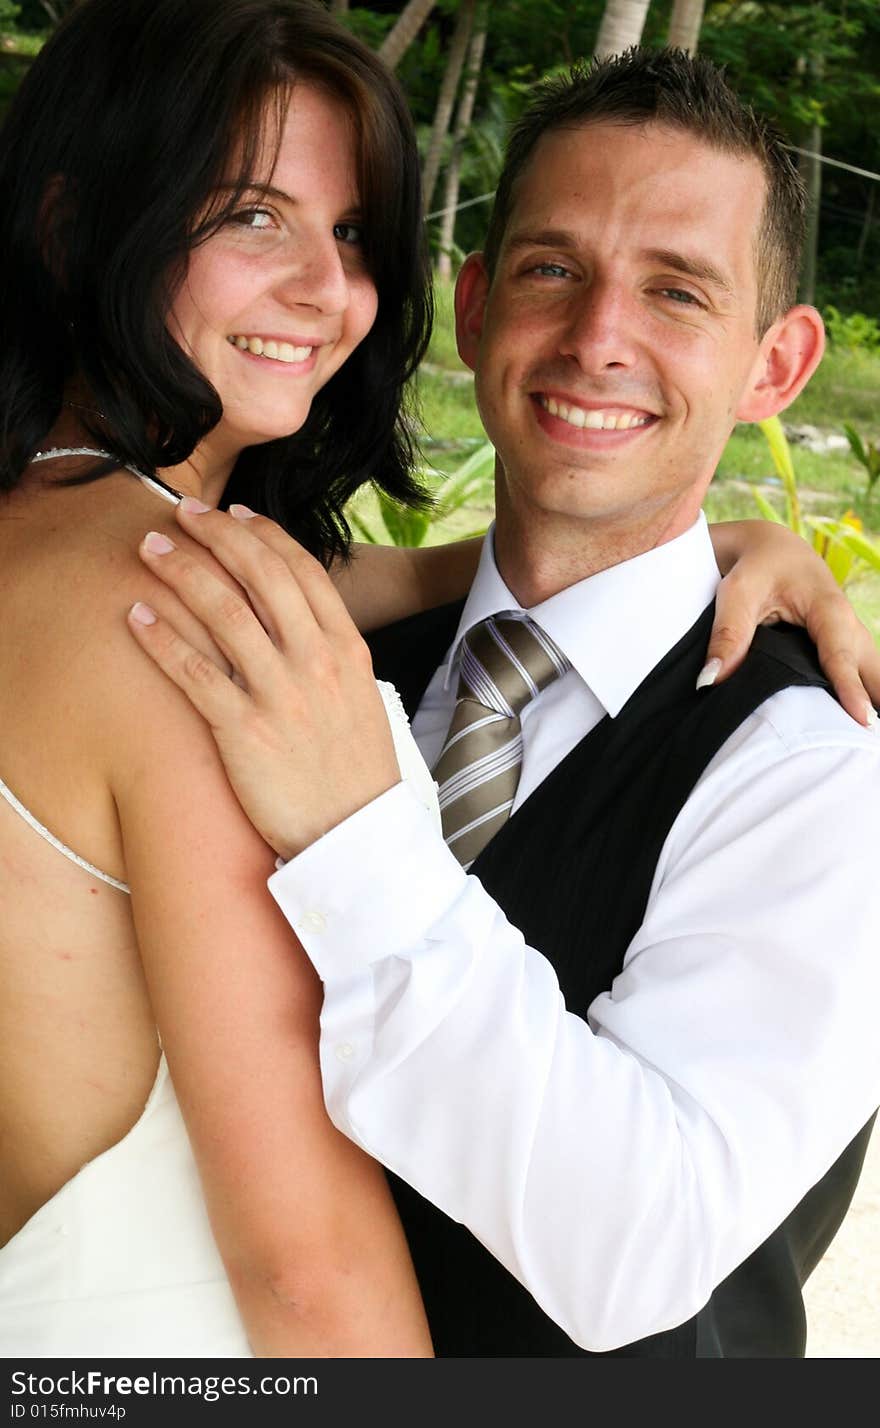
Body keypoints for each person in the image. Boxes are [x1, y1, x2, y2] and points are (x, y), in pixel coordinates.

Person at [129, 48, 880, 1358]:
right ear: (473, 308)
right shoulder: (321, 651)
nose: (598, 339)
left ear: (777, 367)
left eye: (677, 292)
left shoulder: (815, 766)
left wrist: (358, 831)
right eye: (552, 270)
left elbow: (636, 1258)